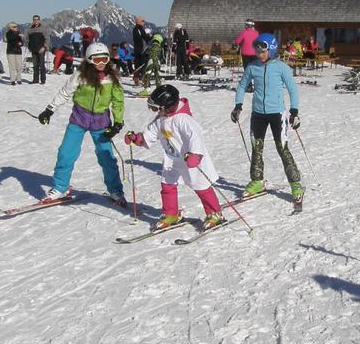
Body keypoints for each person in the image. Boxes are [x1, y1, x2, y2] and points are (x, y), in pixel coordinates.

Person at [124, 83, 225, 232]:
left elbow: (195, 137)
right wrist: (137, 138)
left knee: (200, 185)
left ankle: (215, 214)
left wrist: (195, 155)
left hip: (189, 159)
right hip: (172, 158)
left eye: (156, 108)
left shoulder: (183, 119)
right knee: (167, 185)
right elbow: (149, 135)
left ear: (167, 106)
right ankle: (171, 214)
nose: (155, 112)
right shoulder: (160, 119)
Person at [37, 42, 126, 204]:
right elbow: (65, 93)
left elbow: (118, 101)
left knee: (106, 157)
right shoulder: (80, 75)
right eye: (97, 60)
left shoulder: (112, 78)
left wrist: (118, 123)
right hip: (79, 118)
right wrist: (49, 109)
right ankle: (60, 187)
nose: (101, 64)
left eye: (104, 59)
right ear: (89, 59)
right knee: (66, 152)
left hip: (101, 121)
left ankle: (115, 190)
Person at [231, 33, 304, 205]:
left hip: (277, 114)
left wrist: (294, 112)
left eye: (262, 51)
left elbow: (293, 89)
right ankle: (257, 181)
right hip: (258, 114)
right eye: (256, 51)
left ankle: (296, 185)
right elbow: (242, 86)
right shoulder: (252, 67)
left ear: (271, 50)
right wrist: (238, 106)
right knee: (257, 148)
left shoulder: (281, 67)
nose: (258, 54)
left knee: (282, 149)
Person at [27, 14, 47, 84]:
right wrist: (29, 47)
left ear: (39, 20)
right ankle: (35, 80)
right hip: (33, 49)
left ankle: (43, 80)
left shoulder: (43, 29)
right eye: (34, 19)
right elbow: (28, 39)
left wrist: (44, 47)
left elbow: (47, 39)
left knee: (41, 65)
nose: (35, 21)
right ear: (33, 20)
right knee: (35, 65)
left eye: (37, 19)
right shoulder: (30, 29)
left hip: (41, 49)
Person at [132, 16, 150, 83]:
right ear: (138, 22)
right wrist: (149, 40)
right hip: (139, 49)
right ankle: (140, 77)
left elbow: (144, 37)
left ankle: (138, 77)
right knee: (142, 63)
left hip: (139, 48)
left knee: (140, 63)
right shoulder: (138, 29)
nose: (144, 22)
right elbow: (144, 37)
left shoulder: (140, 28)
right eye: (143, 21)